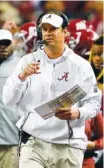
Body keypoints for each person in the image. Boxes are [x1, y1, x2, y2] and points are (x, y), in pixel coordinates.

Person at [2, 10, 100, 168]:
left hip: (68, 145)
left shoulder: (81, 65)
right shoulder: (27, 62)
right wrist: (21, 77)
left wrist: (78, 113)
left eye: (53, 28)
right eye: (45, 29)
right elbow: (8, 100)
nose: (48, 33)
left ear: (65, 32)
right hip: (33, 143)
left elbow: (94, 102)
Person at [0, 29, 22, 168]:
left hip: (12, 140)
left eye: (5, 42)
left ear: (12, 43)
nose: (2, 46)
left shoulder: (21, 65)